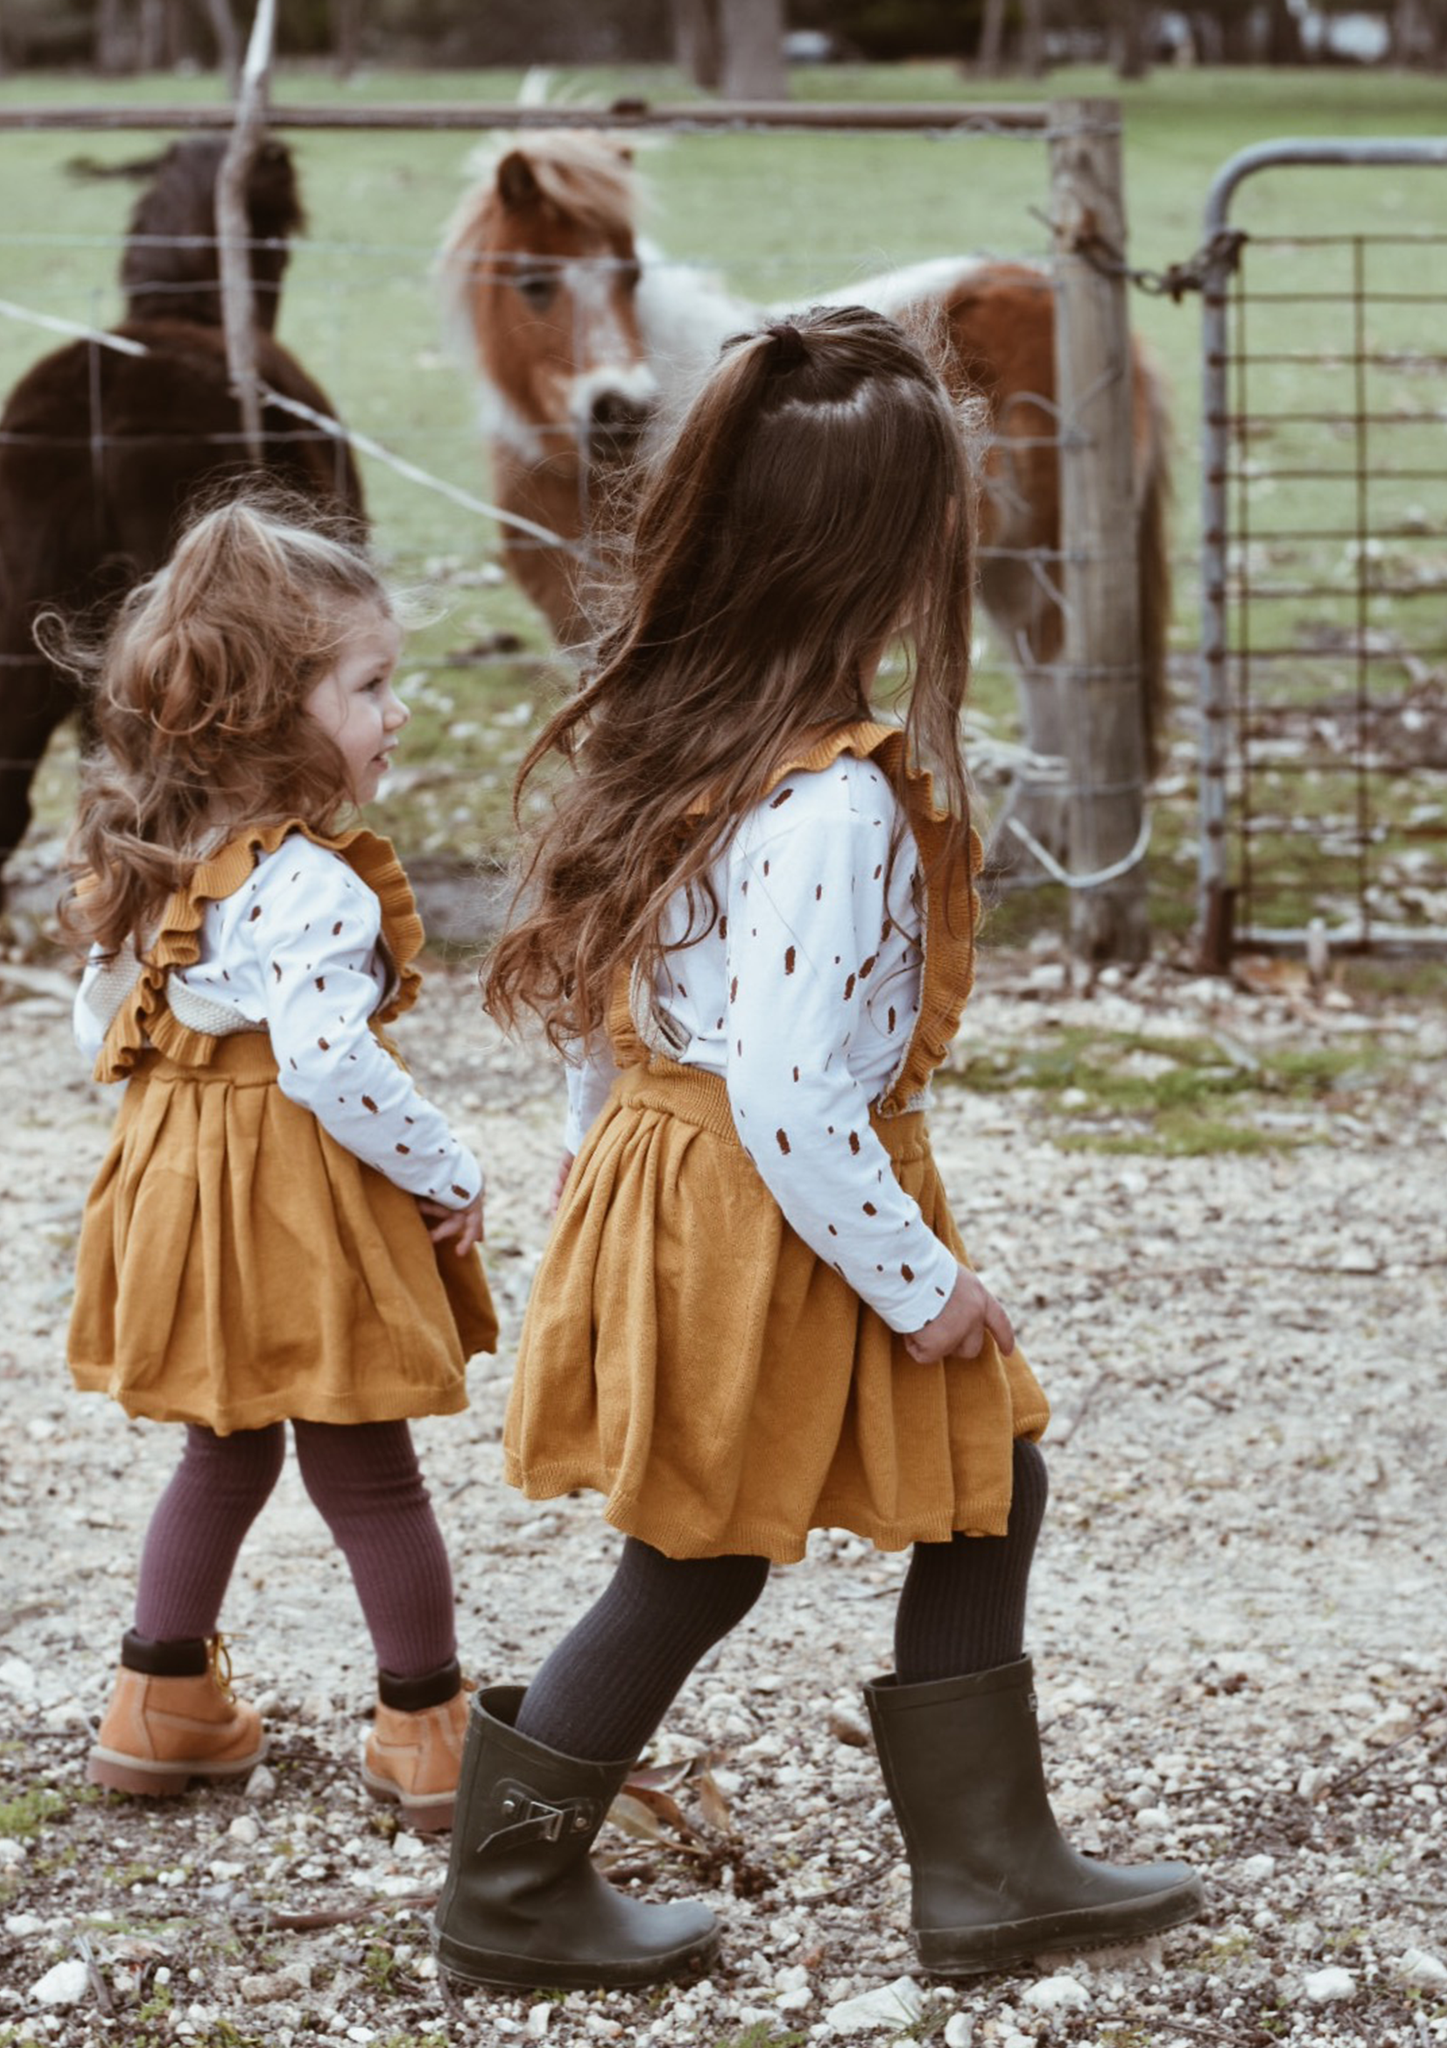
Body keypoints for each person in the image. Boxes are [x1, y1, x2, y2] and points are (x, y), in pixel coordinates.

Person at [433, 305, 1203, 1987]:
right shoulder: (835, 801)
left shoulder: (682, 734)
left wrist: (593, 1182)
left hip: (686, 1182)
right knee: (707, 1549)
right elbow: (789, 1095)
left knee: (970, 1485)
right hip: (782, 1202)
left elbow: (612, 1015)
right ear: (885, 558)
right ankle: (513, 1897)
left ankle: (982, 1868)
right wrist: (925, 1282)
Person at [60, 493, 498, 1833]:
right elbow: (323, 1059)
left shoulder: (156, 855)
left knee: (224, 1443)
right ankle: (428, 1731)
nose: (397, 712)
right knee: (367, 1461)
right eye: (370, 685)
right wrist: (445, 1164)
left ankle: (161, 1702)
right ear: (269, 709)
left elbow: (100, 1021)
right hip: (297, 1195)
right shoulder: (317, 881)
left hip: (181, 1185)